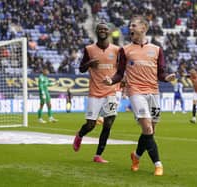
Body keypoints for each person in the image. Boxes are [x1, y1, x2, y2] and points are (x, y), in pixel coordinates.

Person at [103, 15, 175, 176]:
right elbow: (119, 73)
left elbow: (161, 73)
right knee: (147, 127)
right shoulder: (125, 50)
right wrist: (111, 80)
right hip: (135, 92)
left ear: (144, 28)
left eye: (134, 25)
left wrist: (167, 78)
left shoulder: (157, 50)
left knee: (150, 130)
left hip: (154, 92)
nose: (131, 28)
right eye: (130, 25)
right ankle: (158, 164)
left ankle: (136, 156)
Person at [72, 22, 120, 163]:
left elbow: (121, 70)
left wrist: (120, 81)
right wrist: (89, 64)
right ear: (96, 31)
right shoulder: (89, 49)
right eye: (100, 29)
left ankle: (98, 155)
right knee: (91, 125)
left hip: (111, 91)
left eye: (105, 29)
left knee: (108, 124)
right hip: (95, 92)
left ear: (109, 32)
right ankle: (80, 135)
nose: (103, 31)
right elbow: (81, 69)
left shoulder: (117, 50)